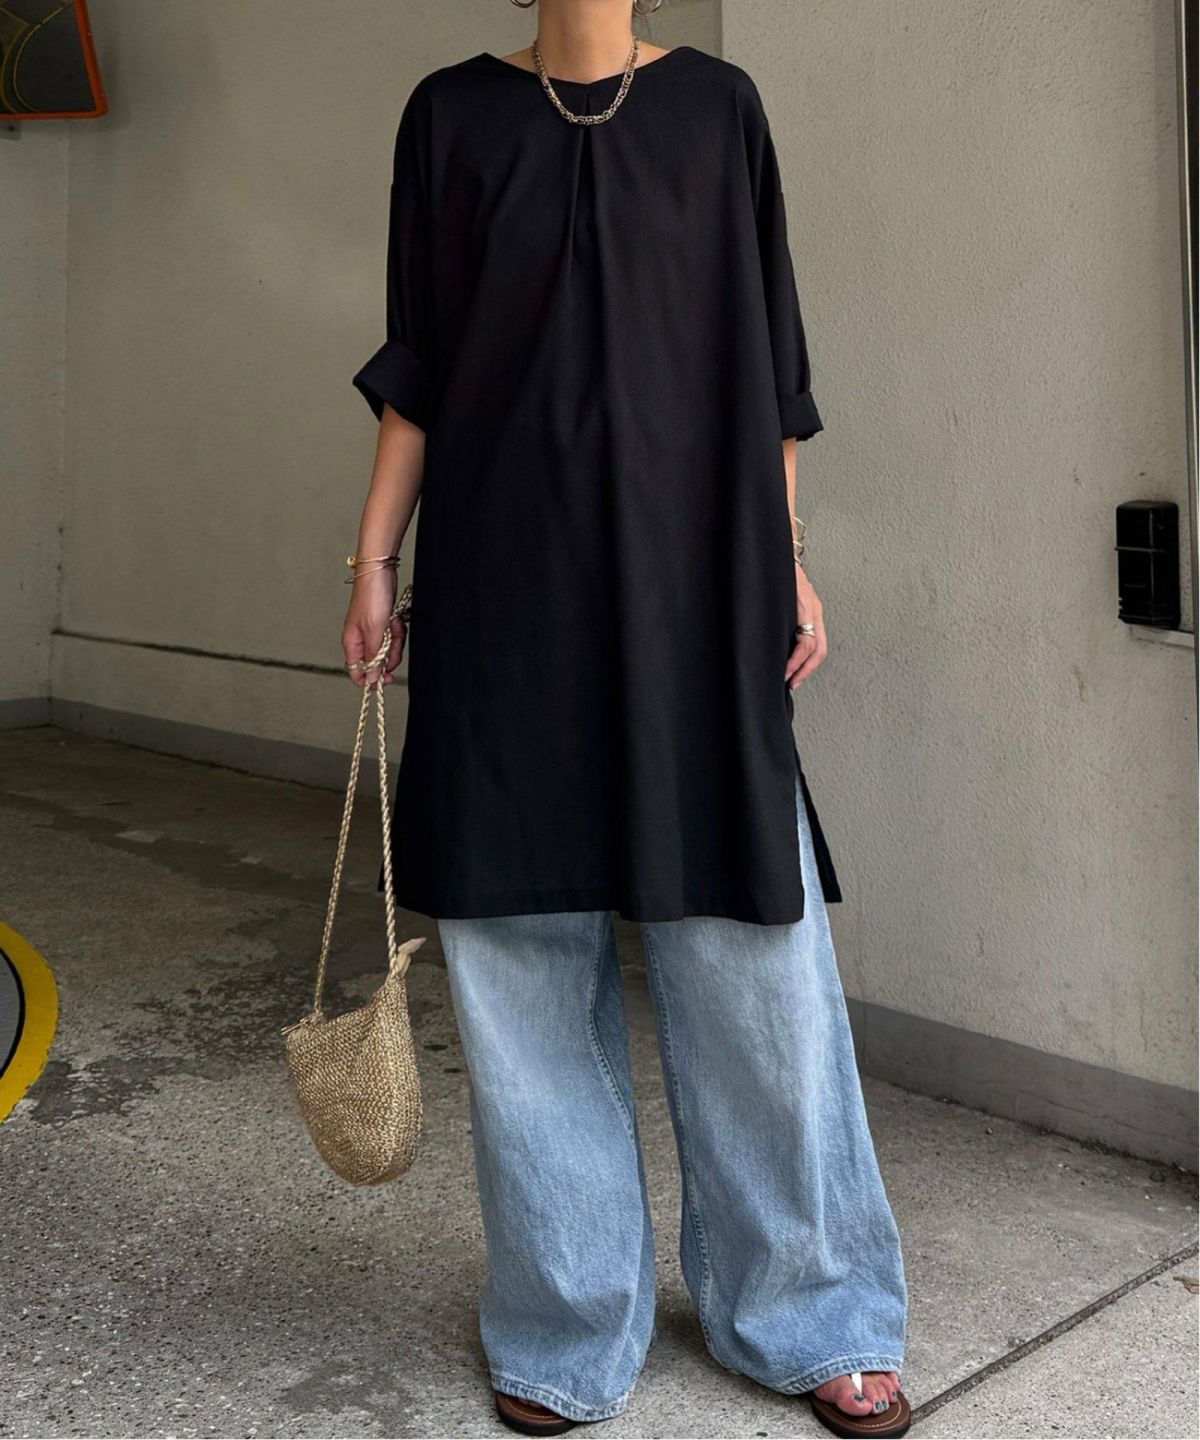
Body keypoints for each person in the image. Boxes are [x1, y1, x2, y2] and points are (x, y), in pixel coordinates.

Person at [342, 2, 909, 1435]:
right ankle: (564, 1319)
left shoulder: (720, 111)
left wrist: (786, 559)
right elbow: (421, 366)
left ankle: (815, 1309)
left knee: (755, 956)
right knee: (520, 965)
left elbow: (770, 362)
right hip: (504, 594)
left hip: (695, 593)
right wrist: (372, 563)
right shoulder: (449, 115)